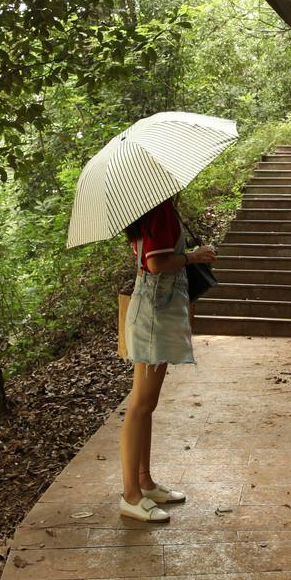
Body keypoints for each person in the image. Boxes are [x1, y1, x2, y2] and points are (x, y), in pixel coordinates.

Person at [120, 196, 216, 523]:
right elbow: (155, 263)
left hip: (154, 312)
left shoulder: (151, 211)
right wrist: (194, 257)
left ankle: (144, 482)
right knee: (140, 405)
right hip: (152, 318)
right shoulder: (159, 210)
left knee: (147, 405)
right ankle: (130, 495)